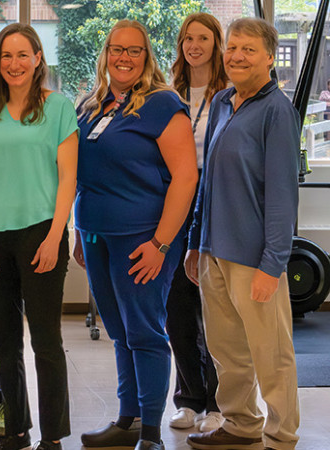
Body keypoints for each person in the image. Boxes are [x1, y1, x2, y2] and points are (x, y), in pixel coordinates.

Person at [75, 20, 198, 450]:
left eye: (134, 50)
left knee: (145, 332)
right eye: (116, 49)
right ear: (105, 54)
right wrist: (79, 233)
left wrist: (161, 244)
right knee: (118, 330)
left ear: (147, 56)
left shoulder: (164, 104)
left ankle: (150, 432)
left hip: (143, 238)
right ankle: (128, 419)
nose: (124, 58)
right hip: (96, 235)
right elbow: (83, 175)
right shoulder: (92, 105)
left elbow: (186, 178)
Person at [185, 17, 300, 450]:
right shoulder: (221, 102)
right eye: (232, 47)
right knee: (227, 350)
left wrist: (273, 264)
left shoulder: (277, 112)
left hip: (254, 257)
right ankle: (240, 423)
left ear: (269, 57)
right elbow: (208, 182)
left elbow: (283, 195)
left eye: (248, 49)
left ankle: (281, 436)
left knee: (272, 354)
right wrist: (196, 242)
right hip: (214, 250)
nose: (236, 56)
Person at [0, 23, 78, 450]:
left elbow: (68, 178)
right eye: (6, 56)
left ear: (37, 59)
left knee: (46, 342)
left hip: (40, 233)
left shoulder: (59, 108)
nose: (14, 64)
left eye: (22, 55)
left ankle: (52, 438)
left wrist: (56, 236)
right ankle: (15, 430)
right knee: (3, 342)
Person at [165, 12, 227, 433]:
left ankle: (219, 403)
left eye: (203, 38)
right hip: (175, 203)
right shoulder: (169, 94)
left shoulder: (229, 95)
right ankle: (188, 398)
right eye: (188, 38)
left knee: (216, 310)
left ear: (216, 44)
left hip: (215, 203)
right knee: (178, 309)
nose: (194, 45)